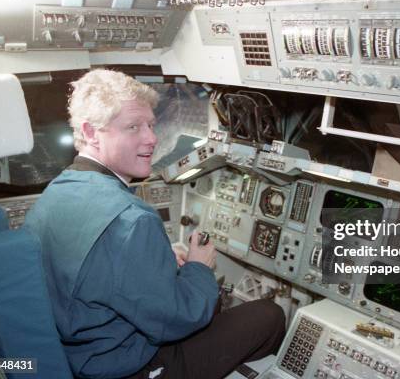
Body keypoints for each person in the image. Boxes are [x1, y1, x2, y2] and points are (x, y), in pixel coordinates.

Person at [23, 69, 285, 379]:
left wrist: (161, 266)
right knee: (269, 315)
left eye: (150, 124)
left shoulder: (55, 192)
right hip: (129, 367)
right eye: (133, 127)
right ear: (91, 133)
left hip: (78, 355)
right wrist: (199, 267)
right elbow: (179, 319)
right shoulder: (130, 219)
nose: (151, 138)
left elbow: (102, 277)